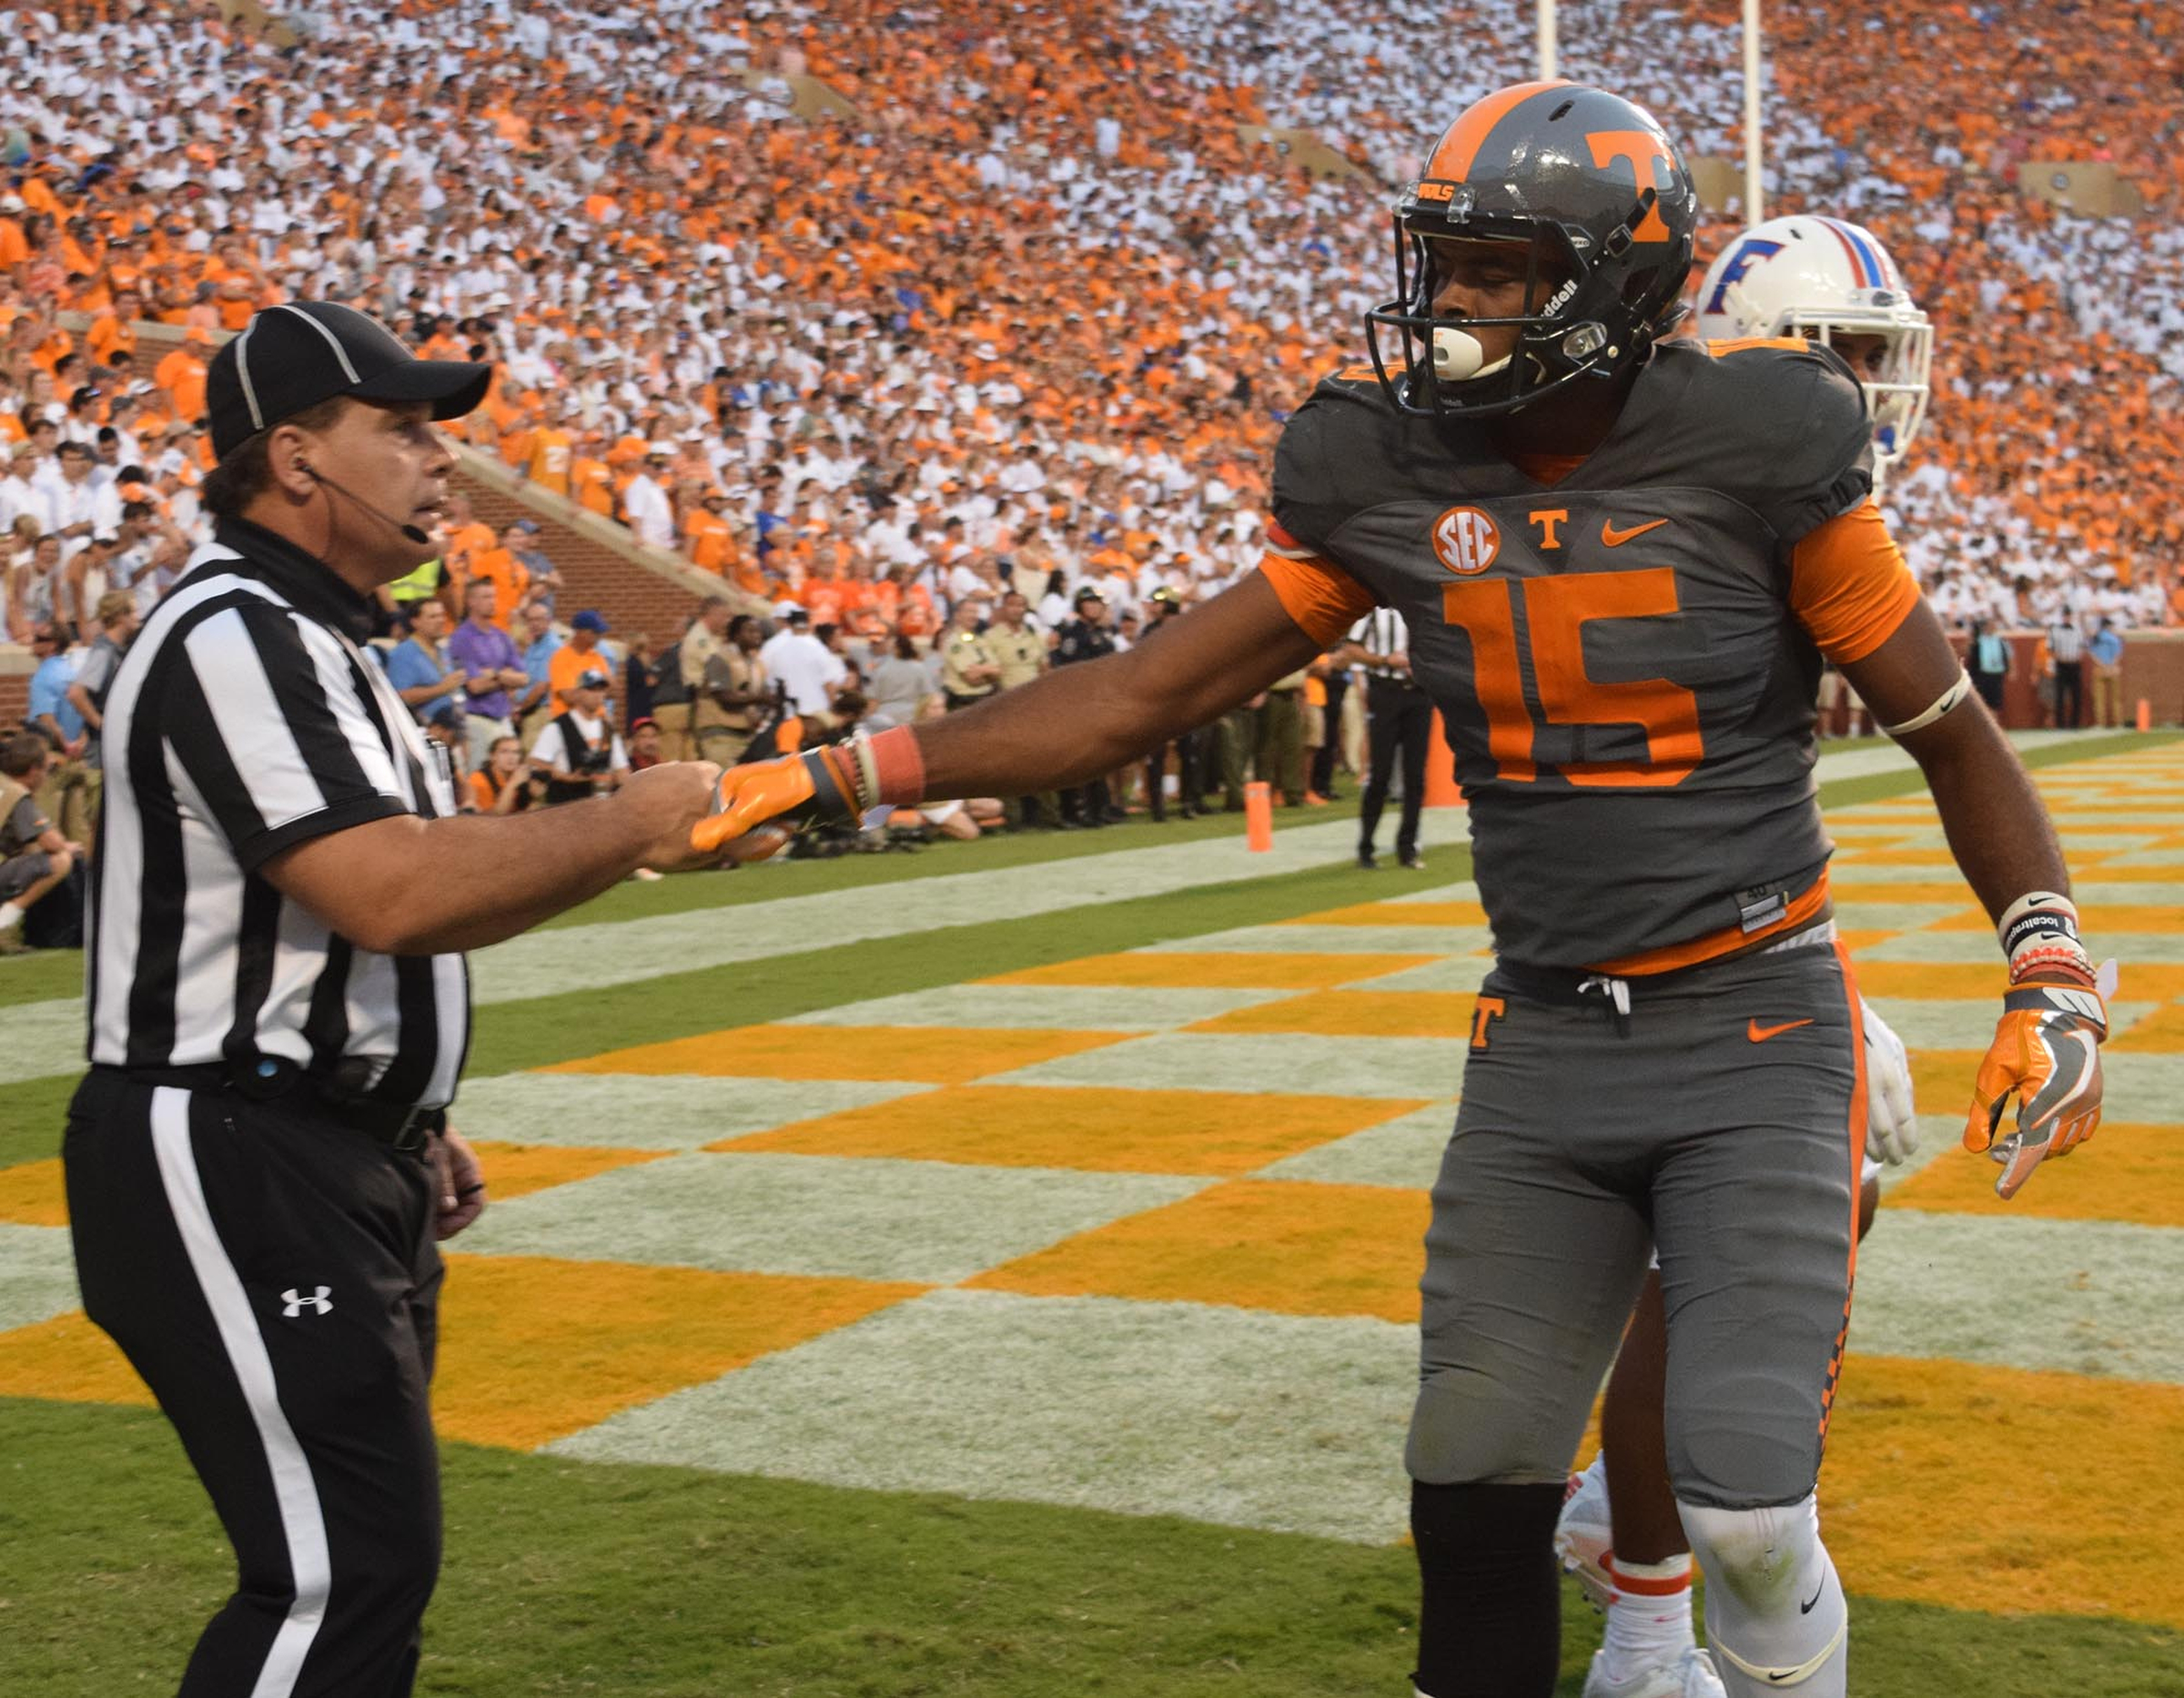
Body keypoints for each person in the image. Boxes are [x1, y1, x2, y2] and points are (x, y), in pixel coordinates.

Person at [694, 83, 2112, 1698]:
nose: (1456, 304)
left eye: (1500, 269)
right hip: (1546, 1041)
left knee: (1743, 1503)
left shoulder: (1763, 443)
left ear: (1620, 280)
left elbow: (1947, 727)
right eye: (1448, 264)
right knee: (1474, 1480)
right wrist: (840, 772)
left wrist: (2049, 960)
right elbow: (1138, 696)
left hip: (1754, 1023)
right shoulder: (1382, 467)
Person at [64, 300, 729, 1698]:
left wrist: (401, 1103)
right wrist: (632, 818)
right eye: (407, 431)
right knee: (336, 1572)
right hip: (227, 1139)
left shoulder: (323, 639)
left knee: (365, 1564)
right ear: (296, 457)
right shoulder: (232, 629)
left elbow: (372, 919)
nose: (446, 465)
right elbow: (392, 889)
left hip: (318, 1140)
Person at [1544, 210, 1941, 1698]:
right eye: (1840, 355)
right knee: (1749, 1247)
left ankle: (1616, 1526)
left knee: (1831, 1197)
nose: (1867, 390)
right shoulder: (1693, 513)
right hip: (1624, 938)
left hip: (1700, 926)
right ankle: (1646, 1614)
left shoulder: (1748, 499)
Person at [1346, 604, 1431, 870]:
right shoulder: (1373, 610)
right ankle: (1366, 846)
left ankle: (1407, 848)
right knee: (1379, 773)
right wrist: (1384, 661)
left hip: (1419, 694)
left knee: (1415, 776)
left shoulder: (1420, 605)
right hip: (1386, 692)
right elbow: (1351, 649)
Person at [0, 728, 81, 952]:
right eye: (47, 768)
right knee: (61, 859)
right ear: (34, 770)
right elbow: (49, 842)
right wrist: (69, 846)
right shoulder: (16, 794)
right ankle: (5, 920)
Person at [445, 578, 531, 773]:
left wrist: (496, 675)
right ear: (471, 602)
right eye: (485, 597)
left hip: (503, 719)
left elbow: (524, 678)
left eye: (493, 596)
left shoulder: (501, 636)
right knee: (480, 777)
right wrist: (506, 678)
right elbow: (475, 685)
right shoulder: (462, 638)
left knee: (509, 777)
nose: (492, 601)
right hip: (477, 720)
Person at [530, 667, 630, 804]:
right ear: (577, 693)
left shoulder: (608, 729)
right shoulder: (558, 727)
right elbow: (536, 763)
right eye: (591, 689)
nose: (597, 695)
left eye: (601, 690)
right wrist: (568, 777)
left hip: (600, 806)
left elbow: (622, 770)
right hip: (565, 806)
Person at [695, 613, 772, 766]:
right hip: (720, 733)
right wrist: (759, 698)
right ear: (736, 635)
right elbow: (724, 696)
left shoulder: (757, 664)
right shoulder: (720, 658)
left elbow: (763, 697)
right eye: (750, 631)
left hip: (747, 736)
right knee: (722, 782)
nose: (757, 635)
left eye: (758, 631)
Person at [2046, 612, 2086, 728]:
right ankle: (2060, 724)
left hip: (2075, 664)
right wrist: (2059, 658)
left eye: (2068, 615)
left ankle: (2075, 723)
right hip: (2061, 664)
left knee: (2076, 695)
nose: (2067, 618)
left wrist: (2078, 658)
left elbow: (2082, 646)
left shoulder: (2078, 630)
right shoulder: (2055, 631)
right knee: (2060, 695)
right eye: (2065, 616)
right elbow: (2050, 649)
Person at [1966, 617, 2011, 713]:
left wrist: (2011, 669)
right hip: (1981, 674)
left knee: (1995, 702)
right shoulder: (1977, 640)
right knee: (1981, 701)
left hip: (1996, 674)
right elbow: (1968, 653)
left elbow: (2010, 655)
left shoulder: (2001, 640)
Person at [2087, 616, 2124, 728]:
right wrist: (2111, 665)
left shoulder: (2095, 638)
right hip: (2113, 669)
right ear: (2108, 626)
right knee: (2116, 698)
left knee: (2099, 699)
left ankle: (2100, 723)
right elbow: (2118, 654)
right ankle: (2118, 722)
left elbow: (2092, 654)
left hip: (2099, 669)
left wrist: (2101, 665)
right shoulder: (2114, 638)